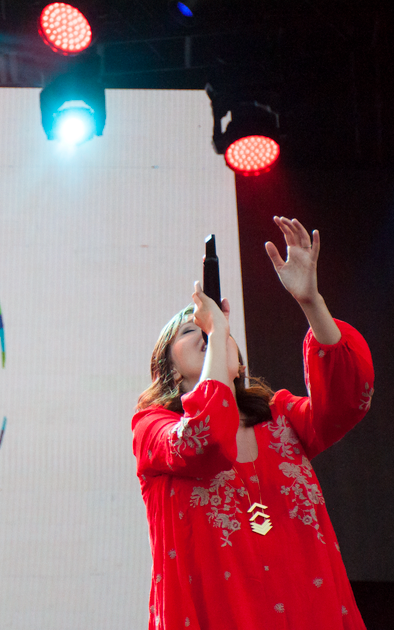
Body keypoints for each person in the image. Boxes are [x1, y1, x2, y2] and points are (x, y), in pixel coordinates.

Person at [132, 217, 374, 629]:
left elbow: (349, 398)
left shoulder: (281, 418)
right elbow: (204, 438)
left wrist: (311, 301)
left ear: (238, 360)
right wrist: (217, 330)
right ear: (167, 367)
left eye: (219, 330)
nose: (209, 332)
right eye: (193, 330)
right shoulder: (152, 428)